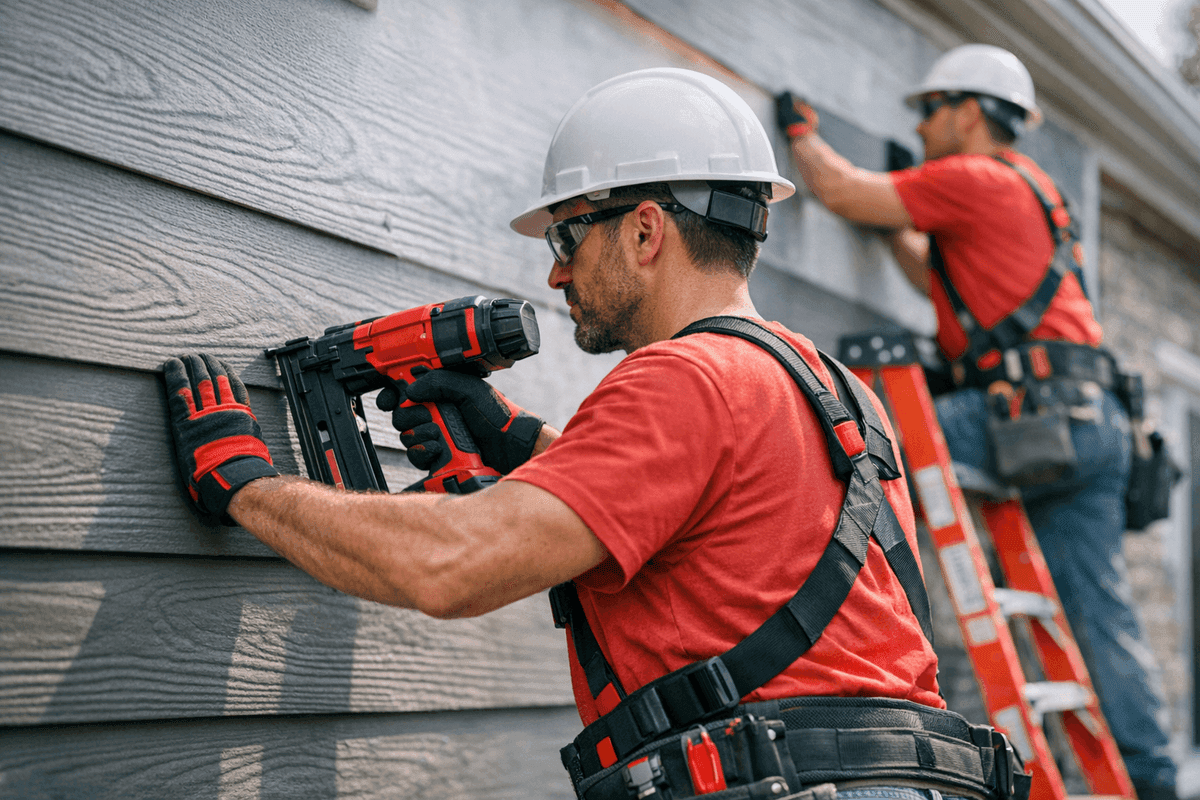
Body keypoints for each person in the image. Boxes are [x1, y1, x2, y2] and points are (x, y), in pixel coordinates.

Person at [164, 68, 1025, 800]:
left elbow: (450, 566)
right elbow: (718, 533)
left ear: (646, 230)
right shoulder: (829, 388)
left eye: (571, 234)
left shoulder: (682, 378)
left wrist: (247, 484)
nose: (555, 269)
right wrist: (523, 443)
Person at [777, 44, 1177, 800]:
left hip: (1022, 413)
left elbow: (841, 189)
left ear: (968, 111)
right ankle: (1153, 784)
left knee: (849, 439)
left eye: (930, 113)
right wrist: (905, 220)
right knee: (1102, 619)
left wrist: (798, 131)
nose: (924, 130)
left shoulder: (970, 177)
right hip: (1090, 425)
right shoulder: (1031, 191)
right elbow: (936, 279)